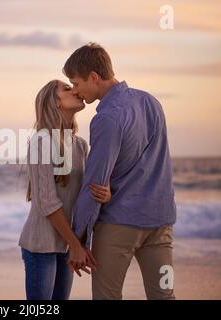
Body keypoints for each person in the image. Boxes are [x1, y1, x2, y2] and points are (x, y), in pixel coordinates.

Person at [64, 42, 177, 300]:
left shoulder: (107, 118)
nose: (76, 90)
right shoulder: (151, 102)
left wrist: (79, 238)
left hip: (119, 224)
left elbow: (95, 182)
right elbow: (156, 164)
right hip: (160, 221)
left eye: (76, 82)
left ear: (93, 77)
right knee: (164, 296)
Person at [18, 79, 111, 300]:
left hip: (67, 246)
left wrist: (106, 194)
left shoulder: (80, 145)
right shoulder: (40, 142)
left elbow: (85, 195)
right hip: (41, 246)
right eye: (67, 89)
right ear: (55, 102)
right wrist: (75, 245)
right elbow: (47, 203)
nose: (75, 91)